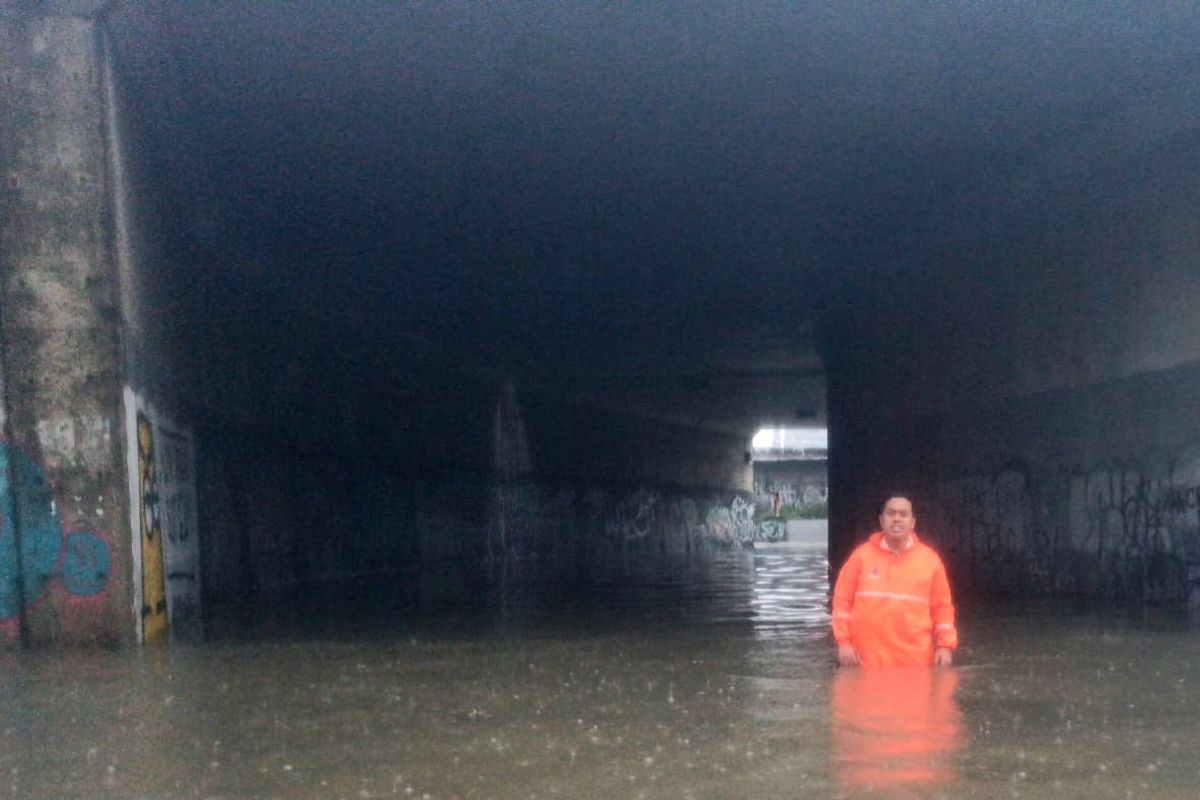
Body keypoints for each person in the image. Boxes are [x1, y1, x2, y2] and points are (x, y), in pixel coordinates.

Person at [831, 492, 957, 667]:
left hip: (915, 663)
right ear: (882, 521)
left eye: (903, 514)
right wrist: (843, 643)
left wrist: (945, 646)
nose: (897, 518)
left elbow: (942, 608)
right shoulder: (860, 557)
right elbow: (841, 603)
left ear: (913, 522)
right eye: (891, 513)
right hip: (865, 662)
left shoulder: (931, 561)